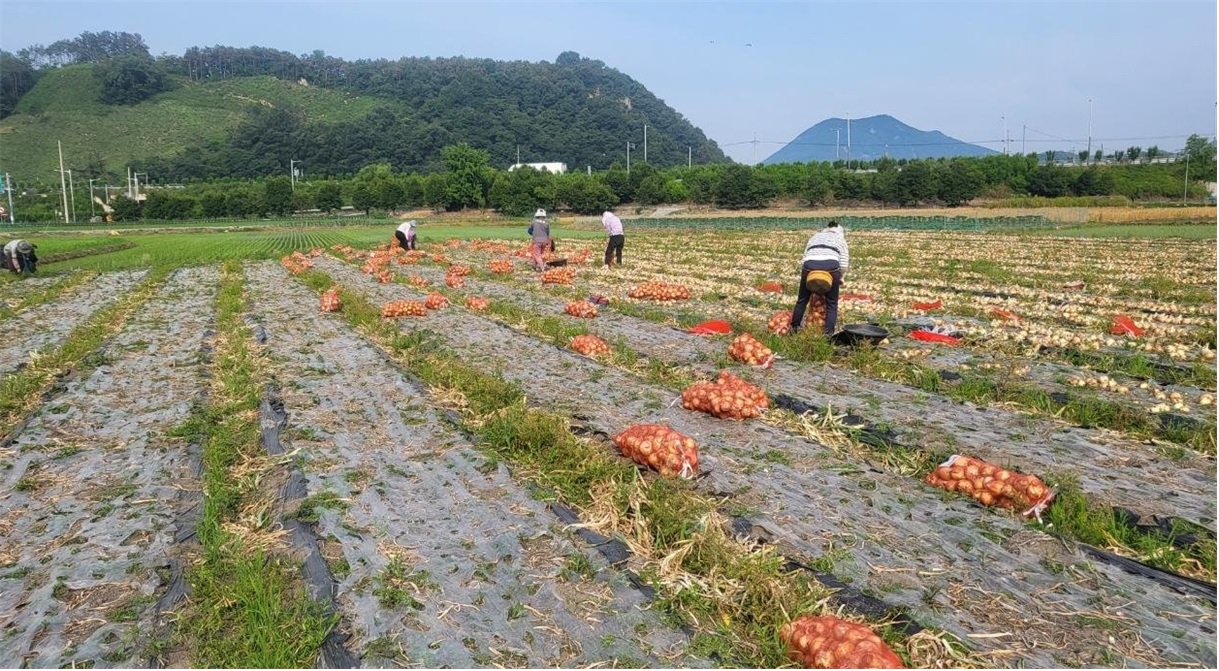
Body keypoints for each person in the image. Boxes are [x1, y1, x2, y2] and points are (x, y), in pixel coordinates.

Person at [790, 221, 848, 335]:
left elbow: (805, 257)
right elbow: (844, 264)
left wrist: (806, 274)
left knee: (802, 300)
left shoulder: (815, 236)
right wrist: (840, 277)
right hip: (831, 266)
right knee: (832, 304)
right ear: (840, 231)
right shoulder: (840, 239)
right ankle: (828, 334)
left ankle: (794, 328)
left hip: (809, 265)